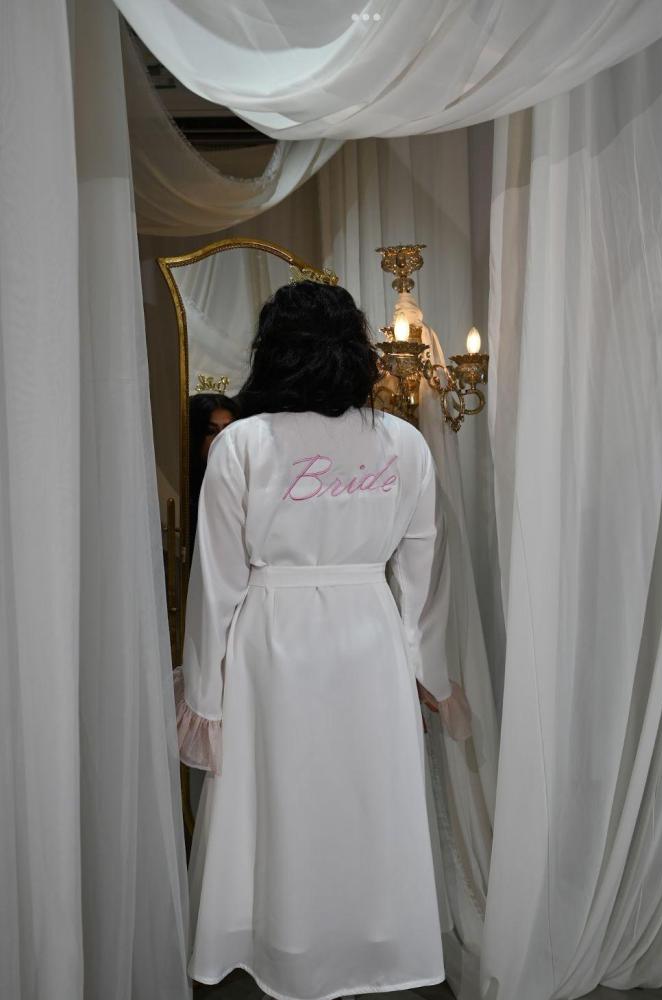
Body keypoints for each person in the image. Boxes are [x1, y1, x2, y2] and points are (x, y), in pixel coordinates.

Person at [173, 280, 471, 998]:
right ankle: (369, 939)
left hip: (272, 643)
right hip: (368, 639)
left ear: (271, 351)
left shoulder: (242, 445)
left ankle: (280, 938)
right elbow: (422, 577)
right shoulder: (403, 443)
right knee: (366, 793)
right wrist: (427, 671)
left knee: (280, 796)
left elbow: (215, 585)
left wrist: (204, 698)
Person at [188, 393, 240, 553]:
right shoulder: (185, 490)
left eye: (229, 430)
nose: (222, 439)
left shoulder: (245, 483)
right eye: (211, 431)